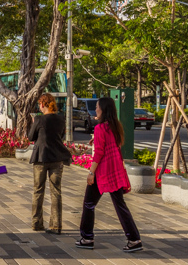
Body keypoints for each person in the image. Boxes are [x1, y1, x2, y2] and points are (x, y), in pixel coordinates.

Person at [76, 97, 143, 252]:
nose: (96, 109)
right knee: (120, 205)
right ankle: (134, 239)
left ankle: (87, 238)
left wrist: (91, 172)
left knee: (88, 204)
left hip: (103, 173)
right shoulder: (114, 127)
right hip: (115, 171)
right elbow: (110, 146)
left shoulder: (100, 128)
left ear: (104, 110)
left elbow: (99, 152)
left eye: (98, 107)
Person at [28, 93, 72, 234]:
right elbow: (61, 136)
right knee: (56, 192)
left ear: (42, 104)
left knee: (38, 191)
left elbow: (30, 137)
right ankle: (56, 225)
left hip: (41, 159)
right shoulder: (60, 119)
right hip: (57, 158)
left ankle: (37, 223)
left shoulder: (39, 119)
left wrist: (34, 121)